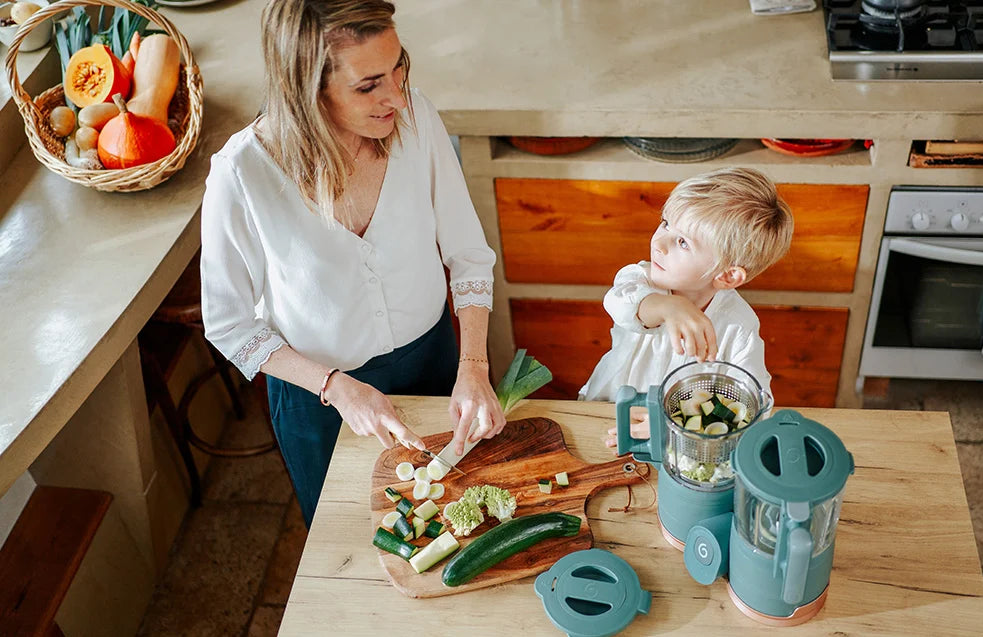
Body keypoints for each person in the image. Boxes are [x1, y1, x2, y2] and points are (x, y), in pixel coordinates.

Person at [199, 0, 504, 526]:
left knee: (455, 522)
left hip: (434, 364)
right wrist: (336, 388)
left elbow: (469, 255)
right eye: (368, 86)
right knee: (351, 545)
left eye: (398, 68)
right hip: (318, 401)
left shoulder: (415, 119)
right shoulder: (241, 173)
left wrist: (473, 366)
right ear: (306, 92)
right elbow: (228, 324)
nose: (397, 97)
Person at [577, 167, 794, 446]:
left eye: (682, 242)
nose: (659, 244)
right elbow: (619, 302)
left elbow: (756, 403)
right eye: (665, 223)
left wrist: (679, 425)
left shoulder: (738, 325)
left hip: (679, 443)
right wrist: (669, 306)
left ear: (727, 276)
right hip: (604, 411)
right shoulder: (642, 279)